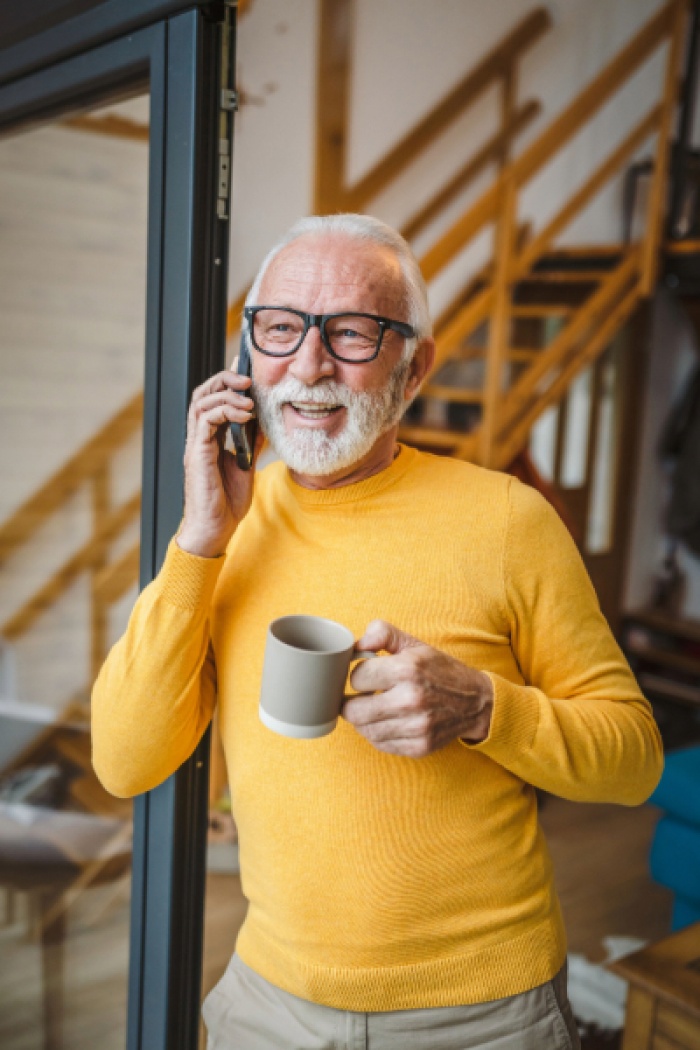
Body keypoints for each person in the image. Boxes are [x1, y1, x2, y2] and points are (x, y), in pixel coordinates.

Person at [92, 214, 663, 1050]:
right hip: (269, 1002)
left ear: (414, 367)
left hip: (484, 1012)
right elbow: (123, 758)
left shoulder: (508, 519)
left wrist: (484, 710)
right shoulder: (226, 526)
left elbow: (637, 758)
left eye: (353, 334)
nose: (310, 364)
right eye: (281, 328)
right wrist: (198, 541)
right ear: (249, 353)